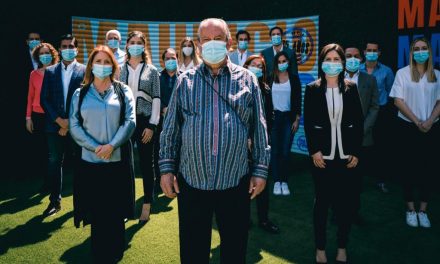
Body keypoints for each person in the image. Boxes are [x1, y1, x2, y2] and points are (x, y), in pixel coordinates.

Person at [159, 18, 270, 264]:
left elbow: (259, 129)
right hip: (192, 181)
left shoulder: (248, 79)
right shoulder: (184, 80)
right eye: (206, 40)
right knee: (193, 252)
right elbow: (170, 131)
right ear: (198, 45)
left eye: (218, 39)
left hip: (234, 181)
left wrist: (260, 170)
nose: (212, 44)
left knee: (234, 250)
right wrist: (166, 168)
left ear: (229, 43)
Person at [69, 45, 136, 262]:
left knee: (115, 210)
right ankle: (98, 251)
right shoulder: (81, 93)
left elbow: (130, 121)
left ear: (113, 65)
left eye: (107, 62)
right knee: (96, 210)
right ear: (91, 65)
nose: (102, 65)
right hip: (90, 162)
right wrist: (95, 147)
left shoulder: (123, 90)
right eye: (98, 61)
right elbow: (74, 125)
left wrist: (111, 146)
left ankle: (116, 250)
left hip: (116, 161)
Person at [304, 43, 364, 264]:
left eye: (336, 60)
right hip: (322, 159)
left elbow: (358, 122)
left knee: (345, 204)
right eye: (328, 59)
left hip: (346, 158)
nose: (332, 64)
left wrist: (356, 152)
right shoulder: (312, 89)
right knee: (322, 203)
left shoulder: (351, 87)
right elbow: (309, 123)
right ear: (322, 62)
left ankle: (341, 246)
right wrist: (314, 152)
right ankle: (320, 248)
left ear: (342, 63)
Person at [390, 37, 440, 229]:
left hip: (432, 128)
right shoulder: (402, 73)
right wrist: (417, 121)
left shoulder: (436, 75)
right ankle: (410, 209)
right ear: (411, 53)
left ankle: (423, 211)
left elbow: (439, 102)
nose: (420, 52)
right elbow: (398, 101)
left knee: (429, 170)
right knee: (408, 169)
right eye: (416, 49)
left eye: (424, 48)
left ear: (429, 51)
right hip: (408, 128)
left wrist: (428, 122)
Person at [40, 34, 86, 217]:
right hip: (54, 126)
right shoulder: (50, 71)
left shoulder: (84, 70)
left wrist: (70, 123)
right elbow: (45, 99)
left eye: (71, 46)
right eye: (64, 46)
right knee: (54, 162)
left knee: (80, 164)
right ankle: (54, 202)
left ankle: (81, 203)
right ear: (59, 49)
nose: (67, 49)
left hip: (77, 127)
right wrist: (59, 121)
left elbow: (85, 99)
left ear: (77, 49)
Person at [119, 31, 161, 224]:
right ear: (126, 45)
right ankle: (126, 206)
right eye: (132, 42)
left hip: (145, 123)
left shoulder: (152, 71)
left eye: (139, 43)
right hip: (126, 122)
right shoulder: (119, 70)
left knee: (146, 164)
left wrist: (152, 125)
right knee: (125, 165)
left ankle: (147, 203)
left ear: (144, 46)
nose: (135, 45)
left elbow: (157, 100)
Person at [243, 54, 279, 234]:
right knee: (243, 183)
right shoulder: (238, 86)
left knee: (261, 181)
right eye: (253, 65)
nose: (256, 68)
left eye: (260, 66)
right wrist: (247, 137)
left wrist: (261, 136)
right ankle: (244, 218)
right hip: (242, 144)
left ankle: (264, 220)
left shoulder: (266, 89)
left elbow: (270, 116)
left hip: (261, 144)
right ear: (246, 65)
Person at [344, 46, 379, 224]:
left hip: (362, 138)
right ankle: (337, 211)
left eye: (356, 56)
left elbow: (374, 106)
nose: (352, 59)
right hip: (338, 138)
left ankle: (354, 212)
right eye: (348, 56)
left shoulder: (370, 80)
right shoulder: (334, 78)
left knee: (356, 180)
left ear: (361, 58)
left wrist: (362, 129)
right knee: (338, 178)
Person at [360, 40, 395, 193]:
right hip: (360, 113)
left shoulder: (386, 71)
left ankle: (381, 180)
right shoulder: (357, 69)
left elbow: (391, 92)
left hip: (380, 112)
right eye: (369, 50)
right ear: (364, 52)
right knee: (359, 145)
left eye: (375, 50)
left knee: (381, 147)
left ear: (379, 53)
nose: (372, 53)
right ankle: (357, 177)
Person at [26, 42, 59, 191]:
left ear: (52, 54)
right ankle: (46, 181)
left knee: (54, 152)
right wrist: (28, 118)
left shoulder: (57, 72)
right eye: (41, 54)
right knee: (43, 151)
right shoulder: (33, 74)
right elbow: (30, 96)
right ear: (37, 57)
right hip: (38, 115)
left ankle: (53, 182)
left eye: (47, 53)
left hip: (53, 116)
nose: (45, 56)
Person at [269, 51, 302, 196]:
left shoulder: (294, 79)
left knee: (285, 151)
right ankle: (276, 181)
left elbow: (298, 99)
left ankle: (284, 181)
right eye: (279, 61)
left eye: (284, 61)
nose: (282, 64)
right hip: (274, 118)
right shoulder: (270, 78)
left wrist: (297, 119)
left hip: (289, 118)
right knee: (275, 151)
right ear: (276, 63)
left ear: (288, 62)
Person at [154, 48, 179, 185]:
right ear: (163, 61)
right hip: (161, 119)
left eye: (173, 58)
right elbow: (154, 96)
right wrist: (163, 107)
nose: (170, 61)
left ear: (177, 60)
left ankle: (176, 179)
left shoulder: (183, 77)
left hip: (179, 121)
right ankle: (160, 180)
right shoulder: (157, 77)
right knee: (159, 149)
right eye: (167, 58)